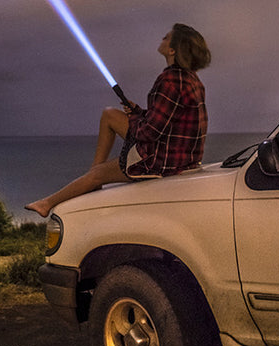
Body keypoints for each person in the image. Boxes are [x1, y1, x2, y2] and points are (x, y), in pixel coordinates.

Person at [25, 23, 211, 218]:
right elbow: (167, 119)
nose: (161, 40)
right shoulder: (192, 79)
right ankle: (94, 176)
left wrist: (134, 119)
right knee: (109, 114)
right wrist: (137, 112)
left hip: (162, 161)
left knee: (99, 173)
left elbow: (150, 133)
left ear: (173, 49)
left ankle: (48, 203)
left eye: (166, 37)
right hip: (182, 157)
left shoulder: (170, 80)